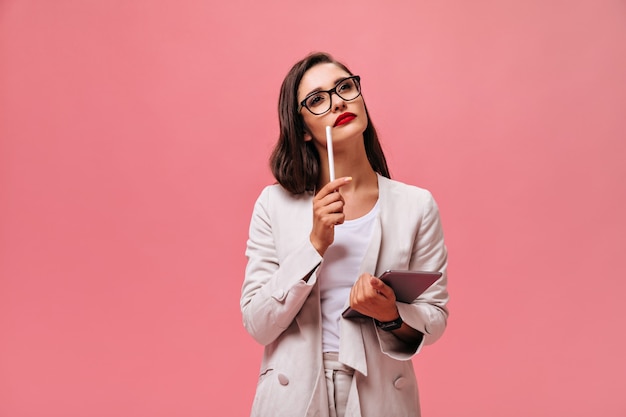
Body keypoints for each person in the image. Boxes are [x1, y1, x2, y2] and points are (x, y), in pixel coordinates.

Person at [240, 52, 449, 417]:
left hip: (381, 396)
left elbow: (434, 317)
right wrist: (314, 243)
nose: (338, 102)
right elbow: (258, 324)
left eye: (345, 87)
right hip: (294, 396)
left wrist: (390, 315)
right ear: (302, 128)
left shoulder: (416, 205)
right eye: (318, 99)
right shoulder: (274, 203)